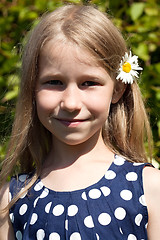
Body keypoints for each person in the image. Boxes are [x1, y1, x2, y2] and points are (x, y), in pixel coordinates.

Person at [0, 4, 160, 240]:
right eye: (54, 82)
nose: (71, 103)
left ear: (117, 90)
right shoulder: (12, 199)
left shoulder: (149, 188)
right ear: (32, 89)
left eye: (88, 83)